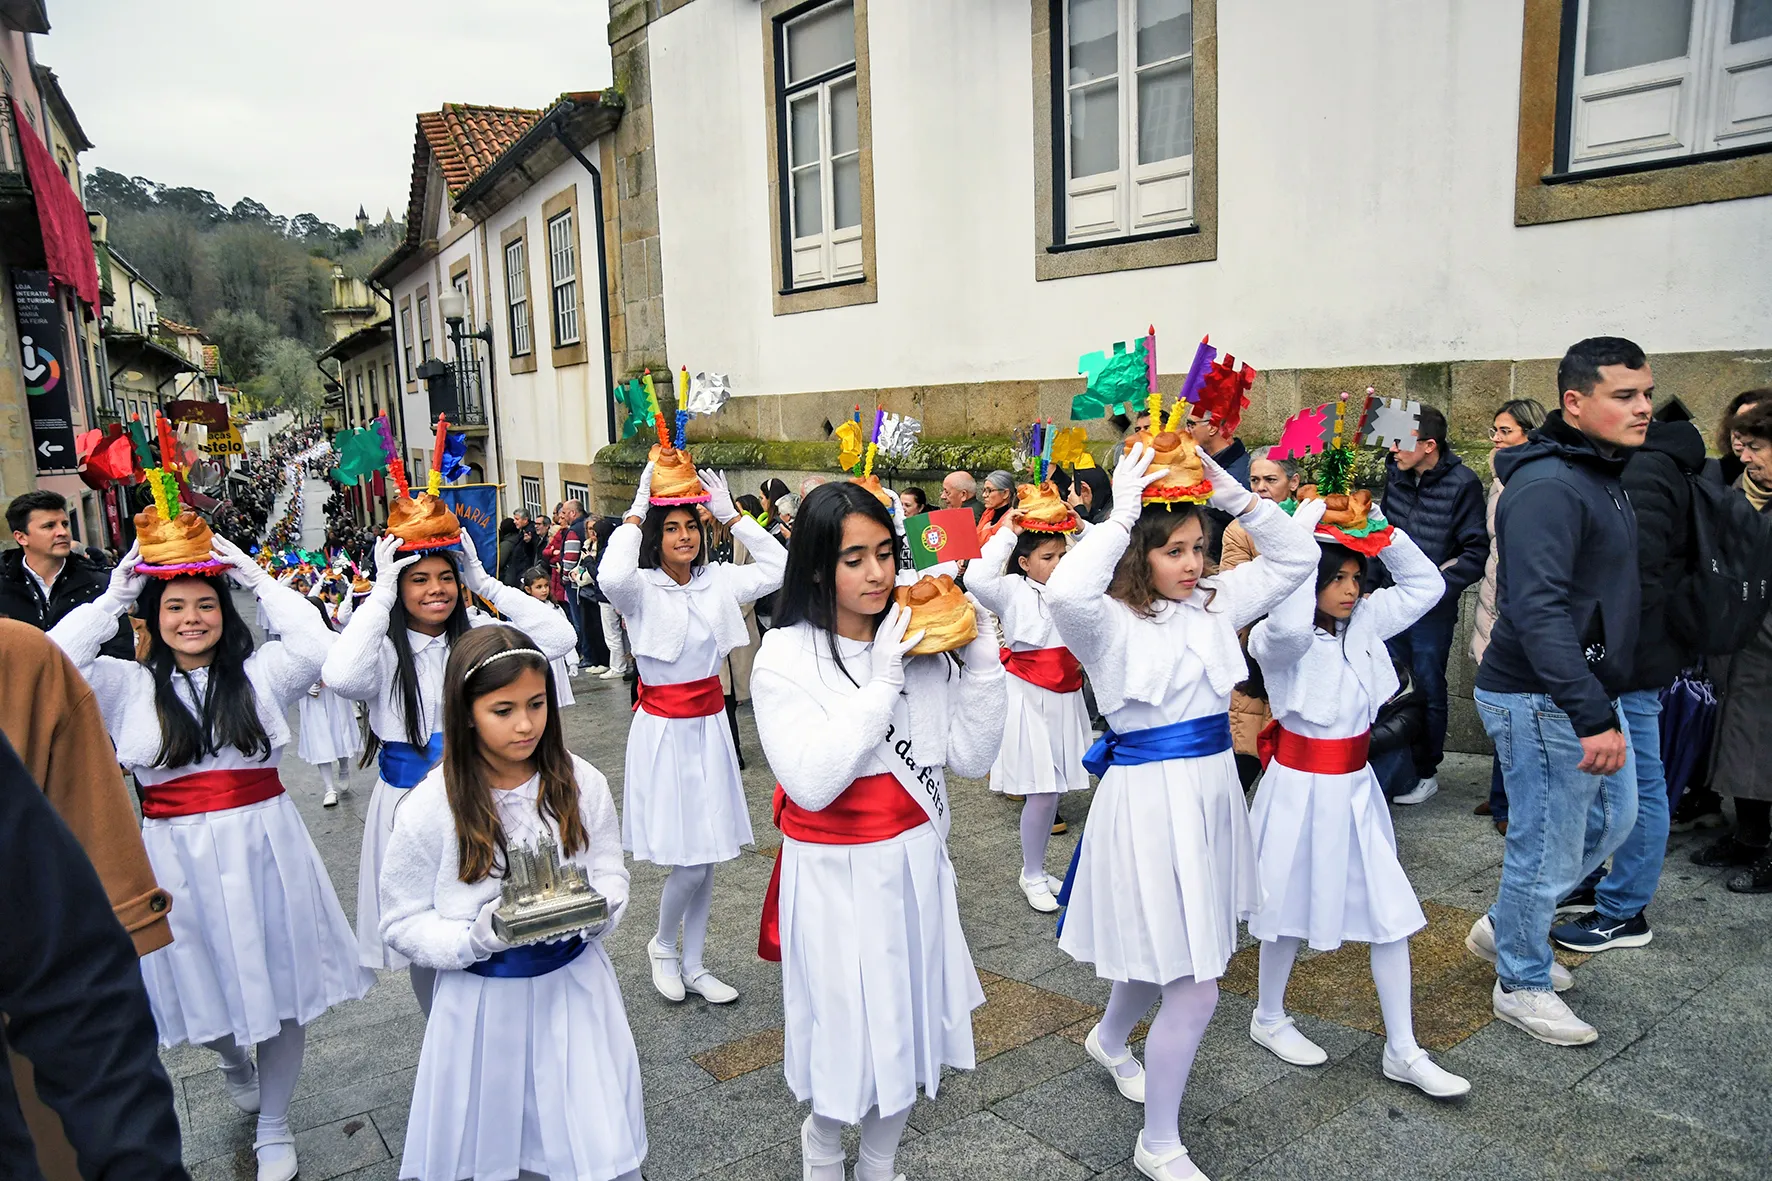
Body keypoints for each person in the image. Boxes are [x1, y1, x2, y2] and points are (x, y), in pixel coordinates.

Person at [49, 537, 374, 1181]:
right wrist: (112, 599)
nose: (192, 618)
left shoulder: (259, 675)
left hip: (266, 847)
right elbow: (49, 661)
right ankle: (229, 1057)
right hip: (174, 861)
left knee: (282, 985)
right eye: (174, 606)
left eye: (205, 604)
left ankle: (275, 1123)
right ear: (153, 617)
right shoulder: (125, 684)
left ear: (225, 614)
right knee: (197, 986)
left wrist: (257, 579)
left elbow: (318, 649)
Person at [1044, 443, 1321, 1181]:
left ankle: (1108, 1038)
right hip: (1147, 801)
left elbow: (1298, 559)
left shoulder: (1215, 602)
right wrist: (1120, 513)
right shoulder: (1104, 618)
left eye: (1199, 547)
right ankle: (1158, 1141)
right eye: (1174, 550)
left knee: (1165, 945)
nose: (1194, 562)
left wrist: (1240, 497)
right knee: (1194, 980)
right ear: (1140, 552)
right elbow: (1063, 594)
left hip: (1207, 791)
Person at [749, 480, 1006, 1181]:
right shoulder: (784, 657)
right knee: (843, 1032)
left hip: (913, 862)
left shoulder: (920, 638)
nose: (877, 573)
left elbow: (971, 756)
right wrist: (882, 681)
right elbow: (811, 781)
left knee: (909, 1024)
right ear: (814, 566)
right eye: (853, 557)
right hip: (831, 870)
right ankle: (824, 1143)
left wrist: (981, 661)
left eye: (886, 554)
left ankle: (880, 1161)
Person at [379, 626, 646, 1181]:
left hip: (574, 989)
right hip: (482, 1002)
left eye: (536, 704)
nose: (525, 724)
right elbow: (400, 919)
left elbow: (609, 869)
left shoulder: (579, 782)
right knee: (498, 1133)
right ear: (466, 712)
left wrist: (598, 912)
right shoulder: (432, 805)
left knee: (584, 1123)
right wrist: (472, 939)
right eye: (503, 710)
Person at [1469, 336, 1651, 1046]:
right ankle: (1520, 979)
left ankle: (1504, 925)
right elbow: (1538, 610)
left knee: (1616, 818)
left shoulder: (1599, 469)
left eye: (1645, 392)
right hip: (1542, 696)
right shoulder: (1548, 485)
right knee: (1546, 843)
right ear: (1575, 402)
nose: (1643, 408)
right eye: (1624, 395)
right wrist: (1590, 712)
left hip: (1587, 688)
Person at [1245, 521, 1468, 1097]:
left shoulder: (1365, 619)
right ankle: (1268, 1016)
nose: (1350, 589)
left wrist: (1380, 531)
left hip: (1354, 786)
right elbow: (1290, 628)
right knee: (1282, 909)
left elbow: (1427, 587)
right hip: (1297, 785)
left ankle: (1404, 1048)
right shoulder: (1275, 636)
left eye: (1355, 577)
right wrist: (1296, 537)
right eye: (1335, 578)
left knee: (1390, 913)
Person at [321, 533, 577, 1011]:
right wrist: (379, 595)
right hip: (408, 801)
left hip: (487, 797)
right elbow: (342, 678)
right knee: (427, 927)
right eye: (417, 580)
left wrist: (485, 583)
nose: (435, 589)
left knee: (495, 912)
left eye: (446, 577)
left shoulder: (477, 633)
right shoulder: (381, 648)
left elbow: (561, 639)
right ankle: (442, 1028)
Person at [602, 464, 786, 1006]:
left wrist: (734, 516)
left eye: (691, 526)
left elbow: (781, 564)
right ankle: (662, 945)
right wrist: (638, 508)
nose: (684, 536)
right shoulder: (638, 588)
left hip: (709, 727)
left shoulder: (719, 579)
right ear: (655, 539)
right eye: (672, 528)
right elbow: (611, 576)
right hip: (663, 732)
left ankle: (696, 961)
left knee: (709, 852)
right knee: (690, 857)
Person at [0, 619, 176, 1180]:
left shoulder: (17, 656)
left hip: (42, 980)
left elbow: (75, 977)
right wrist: (113, 600)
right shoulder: (129, 679)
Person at [1548, 416, 1707, 946]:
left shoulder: (1646, 468)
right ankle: (1601, 882)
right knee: (1612, 779)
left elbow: (1636, 573)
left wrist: (1602, 643)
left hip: (1633, 654)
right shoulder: (1647, 464)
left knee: (1638, 784)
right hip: (1631, 648)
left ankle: (1625, 910)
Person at [966, 515, 1090, 912]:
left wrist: (1080, 525)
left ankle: (1037, 867)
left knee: (1054, 789)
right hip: (1028, 694)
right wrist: (1010, 532)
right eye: (1047, 557)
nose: (1057, 563)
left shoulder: (1072, 587)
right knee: (1040, 790)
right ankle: (1031, 872)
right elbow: (976, 579)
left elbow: (1105, 555)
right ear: (1024, 562)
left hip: (1065, 694)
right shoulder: (1010, 590)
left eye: (1061, 554)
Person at [1379, 404, 1489, 805]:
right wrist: (1371, 587)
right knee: (1388, 685)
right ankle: (1395, 767)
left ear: (1429, 445)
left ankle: (1426, 771)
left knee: (1427, 684)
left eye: (1400, 441)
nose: (1392, 449)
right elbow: (1379, 539)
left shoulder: (1463, 483)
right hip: (1388, 604)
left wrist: (1433, 588)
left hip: (1431, 610)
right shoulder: (1396, 478)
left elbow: (1475, 551)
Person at [1673, 388, 1767, 831]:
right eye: (1740, 440)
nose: (1744, 453)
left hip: (1760, 634)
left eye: (1755, 444)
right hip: (1733, 632)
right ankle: (1741, 831)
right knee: (1737, 737)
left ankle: (1754, 845)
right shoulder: (1725, 483)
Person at [1689, 399, 1772, 894]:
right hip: (1740, 645)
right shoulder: (1743, 493)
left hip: (1764, 644)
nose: (1746, 457)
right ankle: (1748, 837)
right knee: (1742, 748)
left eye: (1758, 448)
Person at [1470, 398, 1548, 833]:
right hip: (1493, 594)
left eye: (1506, 432)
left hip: (1512, 601)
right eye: (1495, 431)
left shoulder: (1528, 479)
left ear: (1529, 434)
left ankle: (1510, 805)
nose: (1496, 439)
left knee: (1514, 703)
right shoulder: (1501, 477)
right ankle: (1501, 795)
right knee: (1501, 703)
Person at [1219, 448, 1300, 785]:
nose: (1261, 487)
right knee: (1248, 739)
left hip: (1300, 645)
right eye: (1254, 480)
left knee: (1290, 745)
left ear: (1293, 482)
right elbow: (1238, 590)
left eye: (1271, 479)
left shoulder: (1314, 522)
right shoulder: (1239, 530)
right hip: (1253, 643)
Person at [1, 490, 134, 659]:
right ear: (21, 538)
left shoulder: (98, 584)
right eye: (49, 526)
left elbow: (120, 651)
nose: (62, 532)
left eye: (64, 524)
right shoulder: (4, 585)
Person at [297, 594, 364, 808]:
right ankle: (329, 788)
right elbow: (291, 670)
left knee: (339, 732)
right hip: (312, 699)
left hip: (333, 695)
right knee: (320, 739)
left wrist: (330, 678)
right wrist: (306, 685)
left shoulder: (334, 638)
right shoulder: (294, 641)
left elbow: (345, 663)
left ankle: (344, 766)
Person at [523, 564, 579, 706]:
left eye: (546, 586)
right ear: (528, 590)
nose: (544, 590)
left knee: (556, 698)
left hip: (556, 658)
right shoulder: (526, 611)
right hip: (537, 659)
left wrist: (572, 661)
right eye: (539, 587)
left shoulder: (555, 608)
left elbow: (566, 635)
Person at [497, 509, 542, 585]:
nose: (514, 522)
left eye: (517, 519)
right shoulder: (522, 531)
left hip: (523, 571)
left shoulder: (529, 532)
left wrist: (528, 542)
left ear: (525, 520)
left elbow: (531, 552)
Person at [976, 470, 1017, 545]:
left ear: (1005, 493)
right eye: (984, 490)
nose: (984, 495)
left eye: (989, 490)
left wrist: (985, 531)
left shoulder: (1012, 519)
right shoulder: (988, 512)